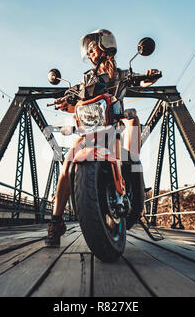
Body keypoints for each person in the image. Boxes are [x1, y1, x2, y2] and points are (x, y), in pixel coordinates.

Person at [45, 29, 160, 247]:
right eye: (87, 50)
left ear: (105, 46)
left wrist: (149, 78)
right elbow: (75, 99)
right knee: (67, 165)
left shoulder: (121, 74)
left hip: (114, 123)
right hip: (90, 129)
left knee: (132, 119)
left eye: (92, 48)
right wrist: (65, 100)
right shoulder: (86, 78)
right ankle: (56, 221)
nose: (89, 53)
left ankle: (132, 164)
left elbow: (139, 83)